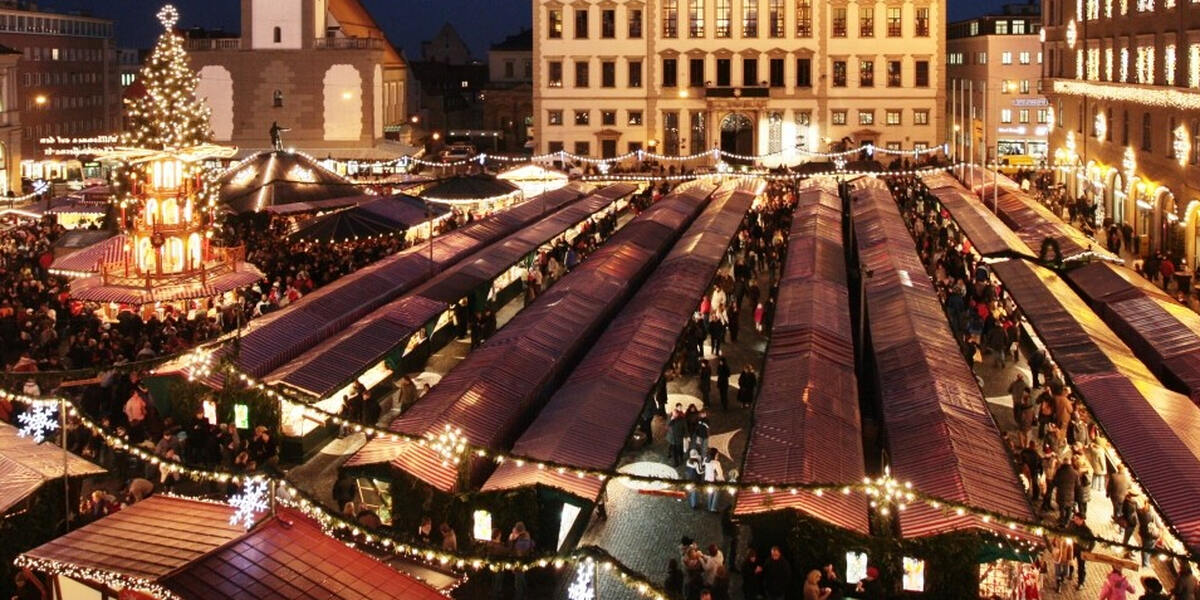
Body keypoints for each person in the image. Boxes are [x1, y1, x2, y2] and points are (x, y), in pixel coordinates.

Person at [703, 448, 724, 512]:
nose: (718, 456)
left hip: (707, 479)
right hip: (715, 480)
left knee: (710, 493)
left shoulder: (705, 460)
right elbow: (720, 473)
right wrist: (722, 479)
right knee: (716, 493)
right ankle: (713, 507)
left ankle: (709, 506)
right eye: (717, 455)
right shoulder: (716, 463)